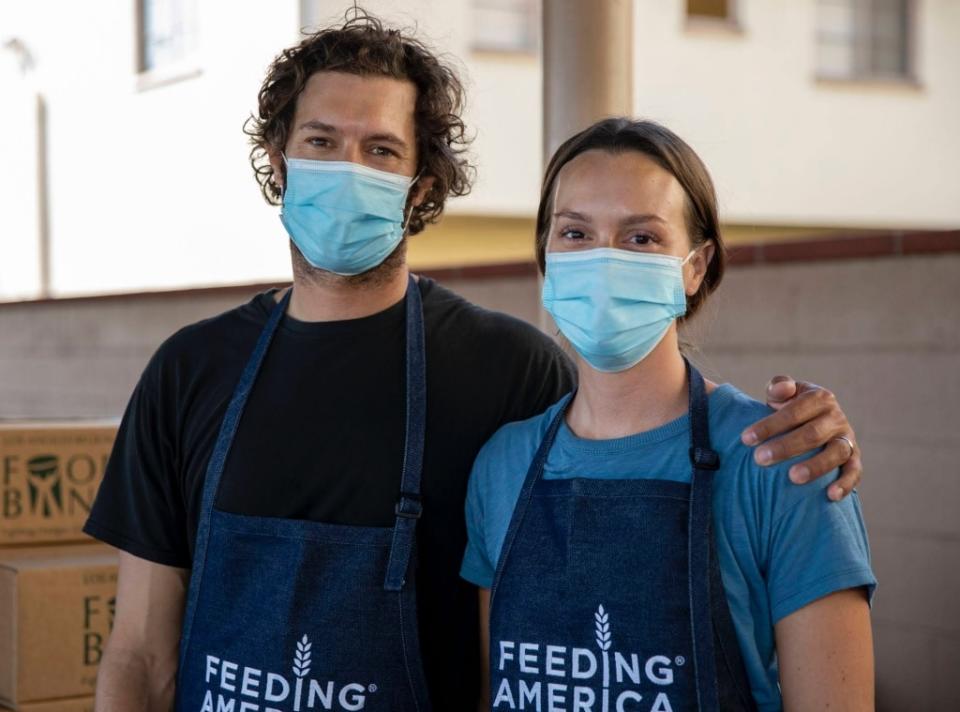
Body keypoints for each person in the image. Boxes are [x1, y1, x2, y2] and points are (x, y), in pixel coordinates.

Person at [84, 12, 864, 711]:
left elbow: (632, 430)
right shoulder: (188, 372)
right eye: (322, 142)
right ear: (279, 160)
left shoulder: (510, 373)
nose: (347, 169)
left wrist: (807, 433)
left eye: (381, 150)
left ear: (421, 186)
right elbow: (141, 655)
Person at [462, 118, 875, 712]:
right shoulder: (503, 464)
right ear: (547, 258)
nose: (602, 259)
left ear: (696, 267)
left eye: (641, 238)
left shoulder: (784, 458)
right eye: (575, 233)